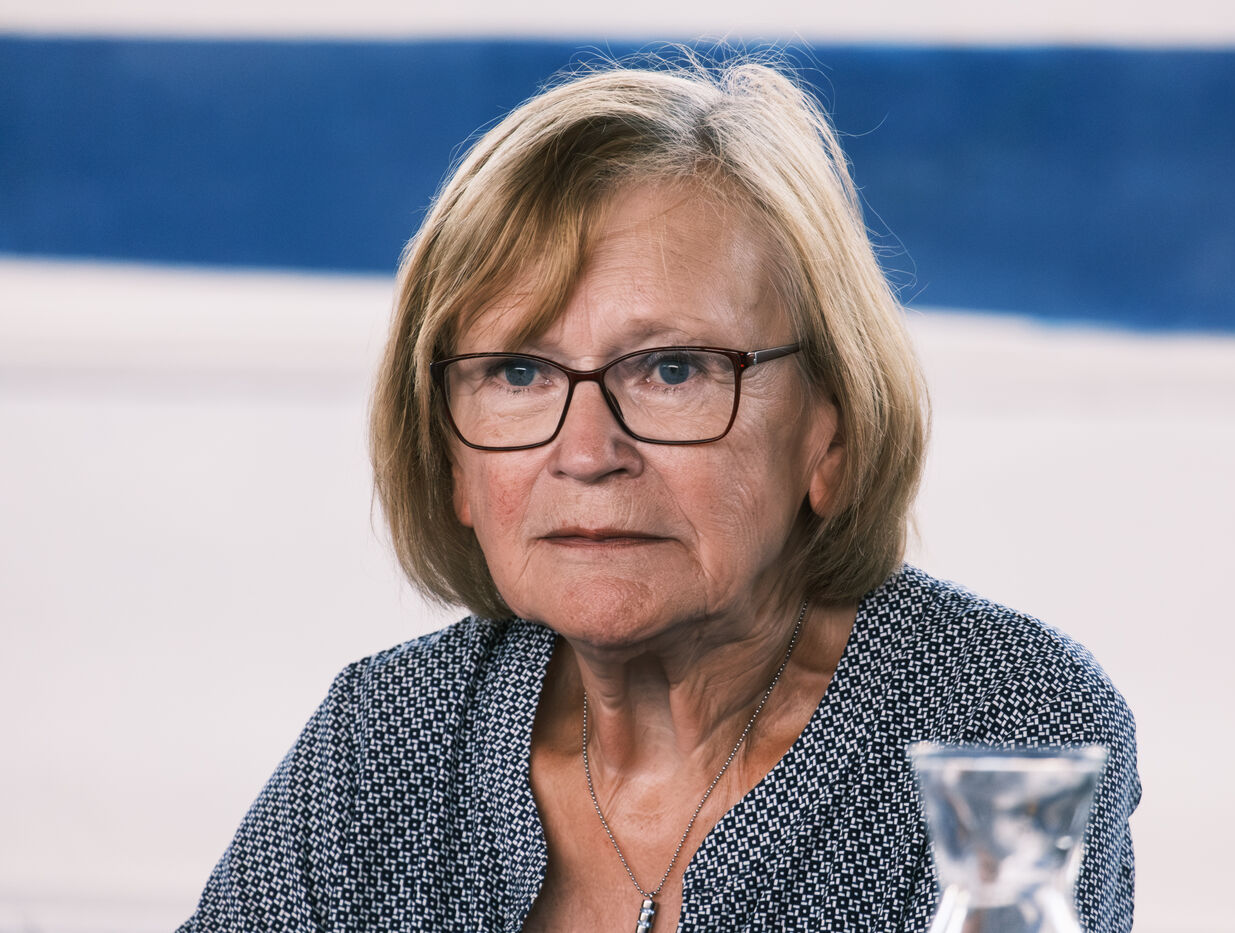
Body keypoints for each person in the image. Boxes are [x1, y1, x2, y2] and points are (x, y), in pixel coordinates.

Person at [180, 56, 1138, 932]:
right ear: (453, 461)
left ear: (831, 430)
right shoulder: (385, 743)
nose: (586, 453)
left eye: (672, 368)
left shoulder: (1004, 728)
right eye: (518, 372)